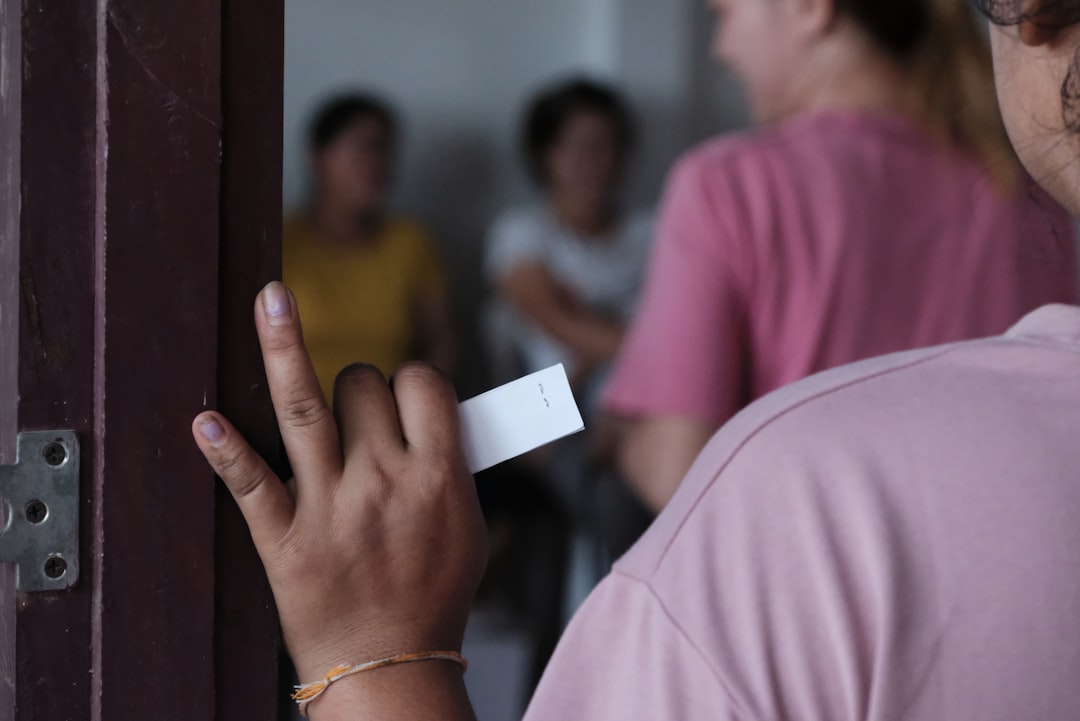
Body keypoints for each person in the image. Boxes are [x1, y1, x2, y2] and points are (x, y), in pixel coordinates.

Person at [192, 0, 1080, 719]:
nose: (722, 38)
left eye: (728, 7)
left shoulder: (733, 185)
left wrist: (370, 654)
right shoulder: (1016, 193)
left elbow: (673, 459)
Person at [603, 0, 1078, 512]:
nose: (722, 50)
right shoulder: (1030, 191)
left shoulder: (728, 186)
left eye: (724, 15)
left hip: (809, 574)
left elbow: (675, 475)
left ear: (809, 8)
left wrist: (623, 441)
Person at [485, 78, 653, 406]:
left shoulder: (653, 231)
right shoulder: (521, 233)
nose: (597, 161)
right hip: (554, 415)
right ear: (547, 153)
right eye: (582, 145)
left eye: (608, 145)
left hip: (644, 397)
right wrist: (663, 347)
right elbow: (555, 320)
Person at [283, 93, 455, 400]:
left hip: (391, 420)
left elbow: (442, 342)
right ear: (318, 156)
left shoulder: (410, 242)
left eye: (386, 150)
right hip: (294, 421)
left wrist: (414, 408)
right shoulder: (283, 242)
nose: (377, 163)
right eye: (364, 148)